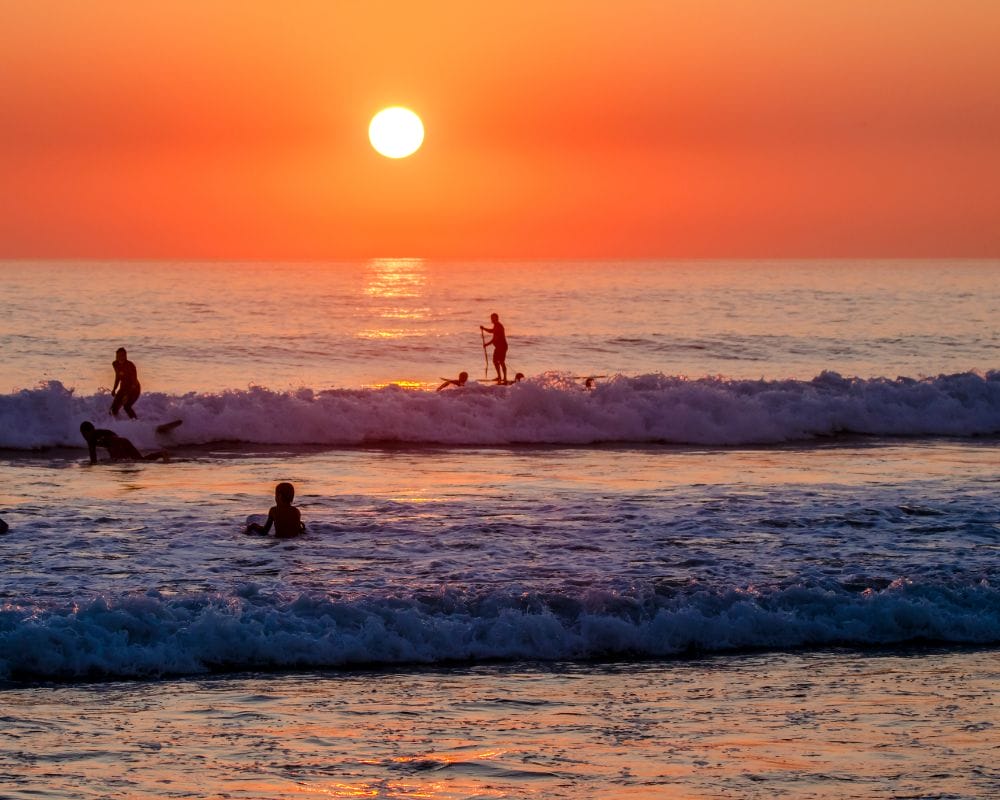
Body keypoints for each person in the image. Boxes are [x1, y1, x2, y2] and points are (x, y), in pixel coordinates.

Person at [79, 421, 167, 464]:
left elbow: (93, 459)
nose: (84, 436)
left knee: (119, 464)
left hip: (117, 445)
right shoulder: (99, 432)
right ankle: (161, 454)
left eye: (83, 434)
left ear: (85, 432)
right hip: (124, 441)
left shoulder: (91, 438)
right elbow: (113, 437)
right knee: (140, 460)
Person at [110, 347, 141, 419]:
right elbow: (117, 377)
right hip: (123, 387)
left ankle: (136, 423)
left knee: (126, 406)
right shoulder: (115, 364)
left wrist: (127, 395)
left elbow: (134, 382)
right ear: (116, 356)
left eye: (123, 355)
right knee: (113, 409)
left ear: (126, 356)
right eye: (118, 356)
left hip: (134, 389)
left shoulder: (130, 365)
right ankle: (118, 424)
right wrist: (114, 389)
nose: (121, 358)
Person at [480, 313, 508, 384]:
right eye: (491, 318)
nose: (491, 319)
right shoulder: (495, 326)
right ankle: (499, 376)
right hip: (498, 347)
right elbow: (492, 331)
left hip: (502, 347)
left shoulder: (499, 326)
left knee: (501, 362)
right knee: (495, 361)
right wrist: (484, 328)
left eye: (493, 318)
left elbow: (495, 339)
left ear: (497, 318)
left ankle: (504, 378)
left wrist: (487, 344)